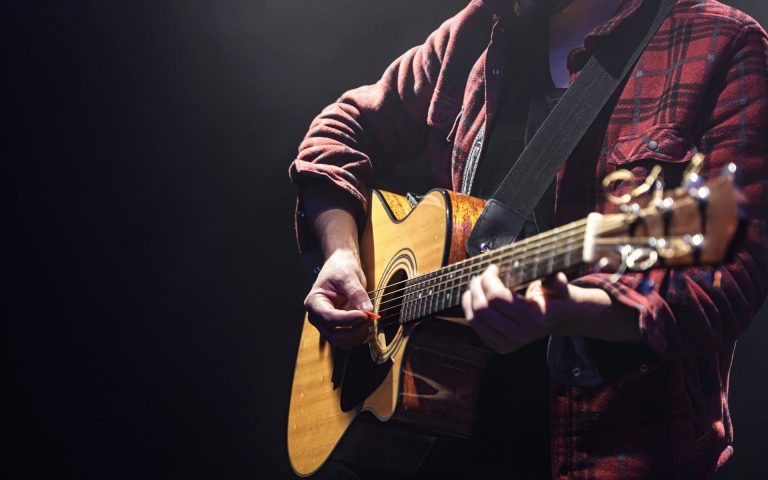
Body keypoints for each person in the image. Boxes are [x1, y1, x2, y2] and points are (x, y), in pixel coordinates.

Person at [288, 0, 768, 478]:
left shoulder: (722, 43)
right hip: (440, 454)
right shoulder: (479, 29)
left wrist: (575, 310)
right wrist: (341, 255)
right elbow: (338, 135)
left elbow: (733, 275)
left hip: (613, 457)